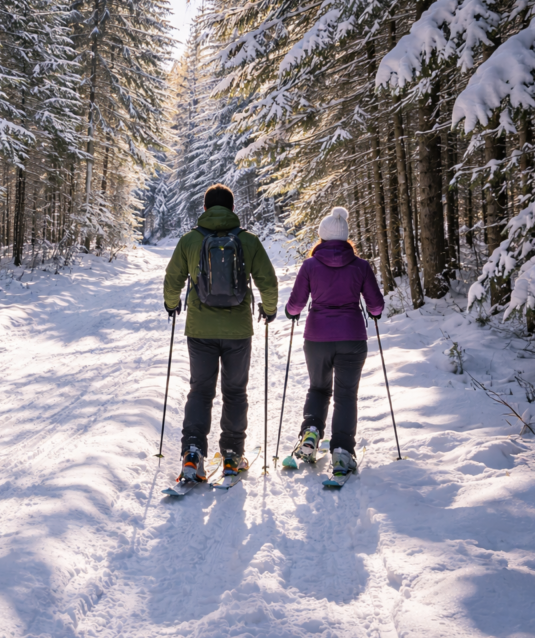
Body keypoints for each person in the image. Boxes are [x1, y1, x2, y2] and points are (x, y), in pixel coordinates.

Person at [163, 184, 279, 482]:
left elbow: (173, 278)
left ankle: (192, 452)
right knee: (235, 391)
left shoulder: (190, 240)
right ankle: (231, 455)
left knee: (200, 391)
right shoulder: (248, 241)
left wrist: (171, 304)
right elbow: (268, 279)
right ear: (232, 209)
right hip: (238, 330)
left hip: (200, 329)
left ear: (205, 209)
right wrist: (269, 309)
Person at [284, 206, 385, 475]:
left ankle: (311, 432)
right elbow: (375, 306)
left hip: (317, 337)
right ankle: (341, 450)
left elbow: (295, 305)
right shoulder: (361, 266)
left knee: (318, 389)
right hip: (352, 337)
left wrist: (289, 313)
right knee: (345, 395)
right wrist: (374, 313)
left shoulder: (309, 266)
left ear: (322, 237)